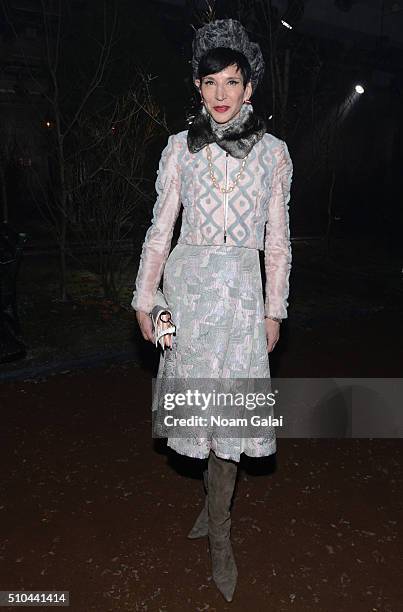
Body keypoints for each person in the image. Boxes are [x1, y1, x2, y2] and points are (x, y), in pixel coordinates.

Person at [131, 19, 293, 603]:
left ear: (250, 88)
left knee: (230, 418)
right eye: (210, 82)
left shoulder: (275, 155)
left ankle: (219, 534)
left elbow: (278, 241)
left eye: (233, 81)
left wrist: (275, 308)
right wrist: (147, 298)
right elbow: (159, 230)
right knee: (201, 408)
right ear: (197, 88)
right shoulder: (180, 148)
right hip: (188, 295)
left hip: (243, 300)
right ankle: (212, 505)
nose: (221, 93)